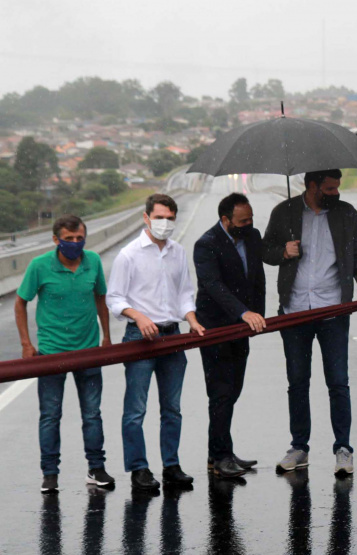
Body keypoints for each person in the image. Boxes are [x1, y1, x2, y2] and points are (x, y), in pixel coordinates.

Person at [263, 169, 357, 477]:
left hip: (333, 309)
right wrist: (283, 251)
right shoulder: (285, 212)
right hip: (294, 311)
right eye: (329, 188)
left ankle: (343, 450)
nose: (335, 193)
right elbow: (264, 250)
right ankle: (299, 447)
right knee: (297, 383)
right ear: (312, 186)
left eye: (337, 187)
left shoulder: (347, 214)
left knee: (338, 382)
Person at [107, 193, 204, 491]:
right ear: (146, 217)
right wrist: (138, 317)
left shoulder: (177, 252)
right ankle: (139, 469)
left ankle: (171, 466)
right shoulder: (129, 254)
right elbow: (114, 298)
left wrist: (192, 319)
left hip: (172, 335)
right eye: (159, 217)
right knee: (135, 409)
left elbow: (185, 292)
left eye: (170, 218)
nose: (165, 223)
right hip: (140, 338)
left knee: (172, 408)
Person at [15, 215, 114, 494]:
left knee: (92, 414)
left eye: (79, 238)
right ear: (56, 239)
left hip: (88, 351)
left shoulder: (93, 262)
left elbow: (101, 299)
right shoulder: (39, 266)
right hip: (51, 352)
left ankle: (96, 467)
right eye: (68, 239)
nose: (74, 243)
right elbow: (20, 303)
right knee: (50, 415)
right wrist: (26, 344)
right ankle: (50, 473)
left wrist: (106, 337)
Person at [193, 193, 266, 479]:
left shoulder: (252, 236)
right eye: (242, 221)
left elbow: (257, 276)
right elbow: (213, 285)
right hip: (215, 328)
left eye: (250, 219)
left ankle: (220, 450)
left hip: (243, 327)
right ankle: (220, 457)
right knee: (221, 393)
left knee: (233, 390)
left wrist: (257, 315)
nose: (248, 224)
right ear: (225, 219)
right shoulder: (206, 244)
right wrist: (242, 313)